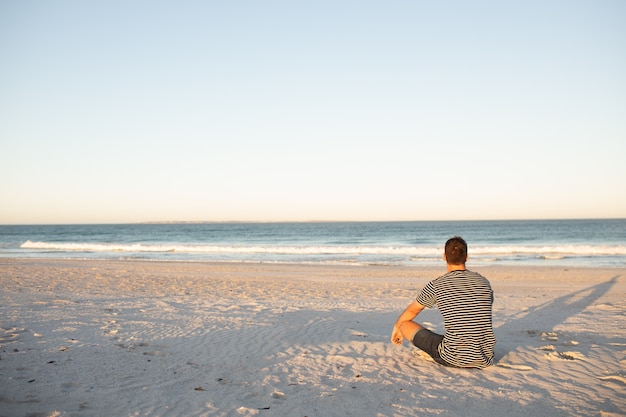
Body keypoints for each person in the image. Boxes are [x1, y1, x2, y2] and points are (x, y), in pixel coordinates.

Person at [391, 236, 495, 368]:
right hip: (484, 356)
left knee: (405, 324)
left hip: (452, 357)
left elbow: (412, 310)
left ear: (444, 257)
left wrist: (397, 326)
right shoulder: (483, 282)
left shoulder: (437, 284)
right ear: (467, 257)